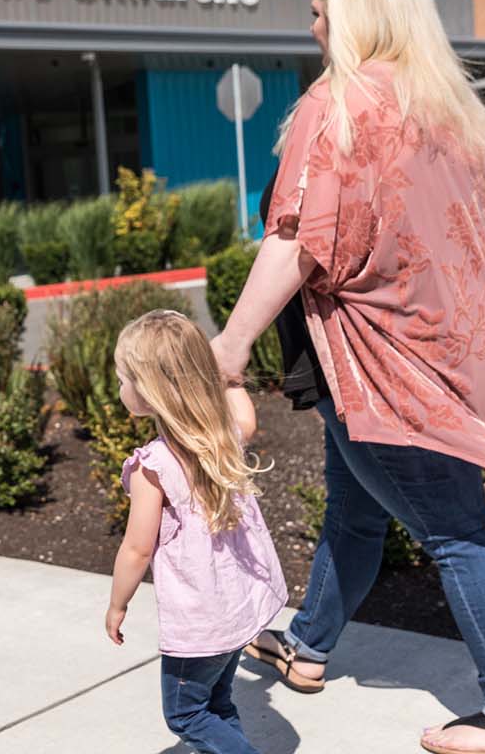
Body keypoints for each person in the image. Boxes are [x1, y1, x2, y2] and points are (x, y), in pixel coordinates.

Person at [210, 0, 485, 754]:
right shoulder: (447, 105)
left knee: (458, 536)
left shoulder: (338, 104)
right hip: (453, 348)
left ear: (359, 10)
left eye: (322, 1)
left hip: (388, 363)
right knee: (354, 509)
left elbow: (298, 241)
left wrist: (228, 349)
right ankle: (308, 648)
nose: (313, 15)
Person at [105, 310, 287, 754]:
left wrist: (117, 604)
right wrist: (229, 377)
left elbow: (135, 548)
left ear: (149, 393)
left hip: (201, 621)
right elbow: (246, 415)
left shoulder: (156, 466)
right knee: (217, 701)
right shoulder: (221, 436)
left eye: (124, 377)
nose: (120, 386)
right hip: (235, 610)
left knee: (185, 713)